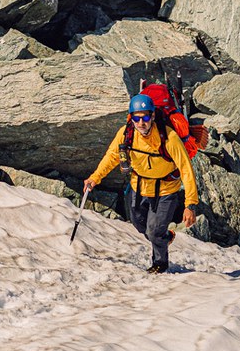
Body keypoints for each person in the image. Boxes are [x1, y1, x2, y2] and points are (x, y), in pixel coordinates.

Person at [83, 93, 199, 273]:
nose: (141, 123)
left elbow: (186, 169)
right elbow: (112, 157)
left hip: (166, 190)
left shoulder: (168, 137)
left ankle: (160, 264)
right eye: (136, 118)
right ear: (132, 118)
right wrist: (94, 178)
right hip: (139, 187)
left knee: (153, 231)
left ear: (152, 116)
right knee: (139, 225)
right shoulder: (126, 134)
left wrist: (190, 204)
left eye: (145, 117)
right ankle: (165, 236)